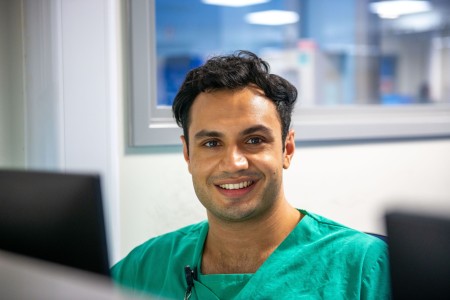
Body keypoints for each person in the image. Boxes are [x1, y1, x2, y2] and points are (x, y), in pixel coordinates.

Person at [111, 51, 391, 299]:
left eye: (254, 140)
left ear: (287, 148)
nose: (233, 163)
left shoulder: (363, 266)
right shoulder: (145, 266)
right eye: (211, 143)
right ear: (188, 154)